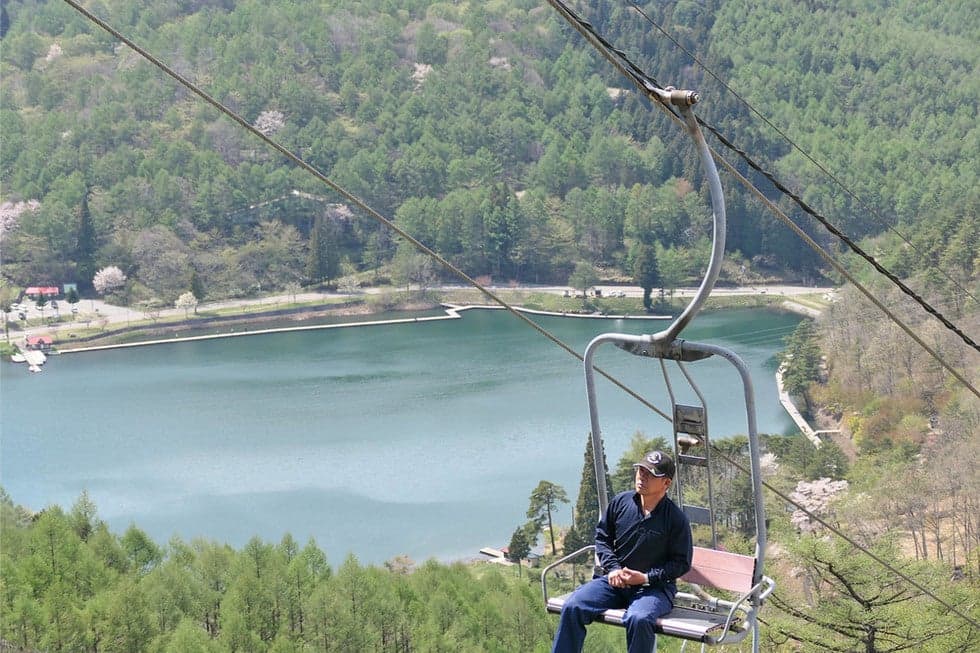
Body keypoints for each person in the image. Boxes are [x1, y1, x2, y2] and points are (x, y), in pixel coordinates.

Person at [551, 450, 692, 653]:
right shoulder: (621, 502)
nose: (642, 477)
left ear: (666, 483)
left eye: (650, 474)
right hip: (614, 582)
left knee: (639, 618)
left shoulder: (675, 519)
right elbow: (602, 538)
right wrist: (613, 569)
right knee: (573, 606)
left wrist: (644, 577)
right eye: (640, 471)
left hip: (654, 589)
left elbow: (681, 563)